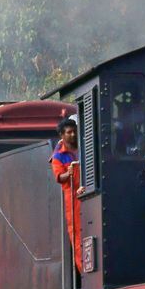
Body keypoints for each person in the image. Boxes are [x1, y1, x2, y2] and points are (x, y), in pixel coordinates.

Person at [49, 118, 84, 277]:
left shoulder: (83, 146)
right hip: (74, 197)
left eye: (74, 131)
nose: (73, 134)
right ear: (62, 136)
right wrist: (68, 173)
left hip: (87, 189)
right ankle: (84, 271)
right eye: (69, 132)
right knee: (78, 236)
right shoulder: (58, 156)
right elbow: (58, 176)